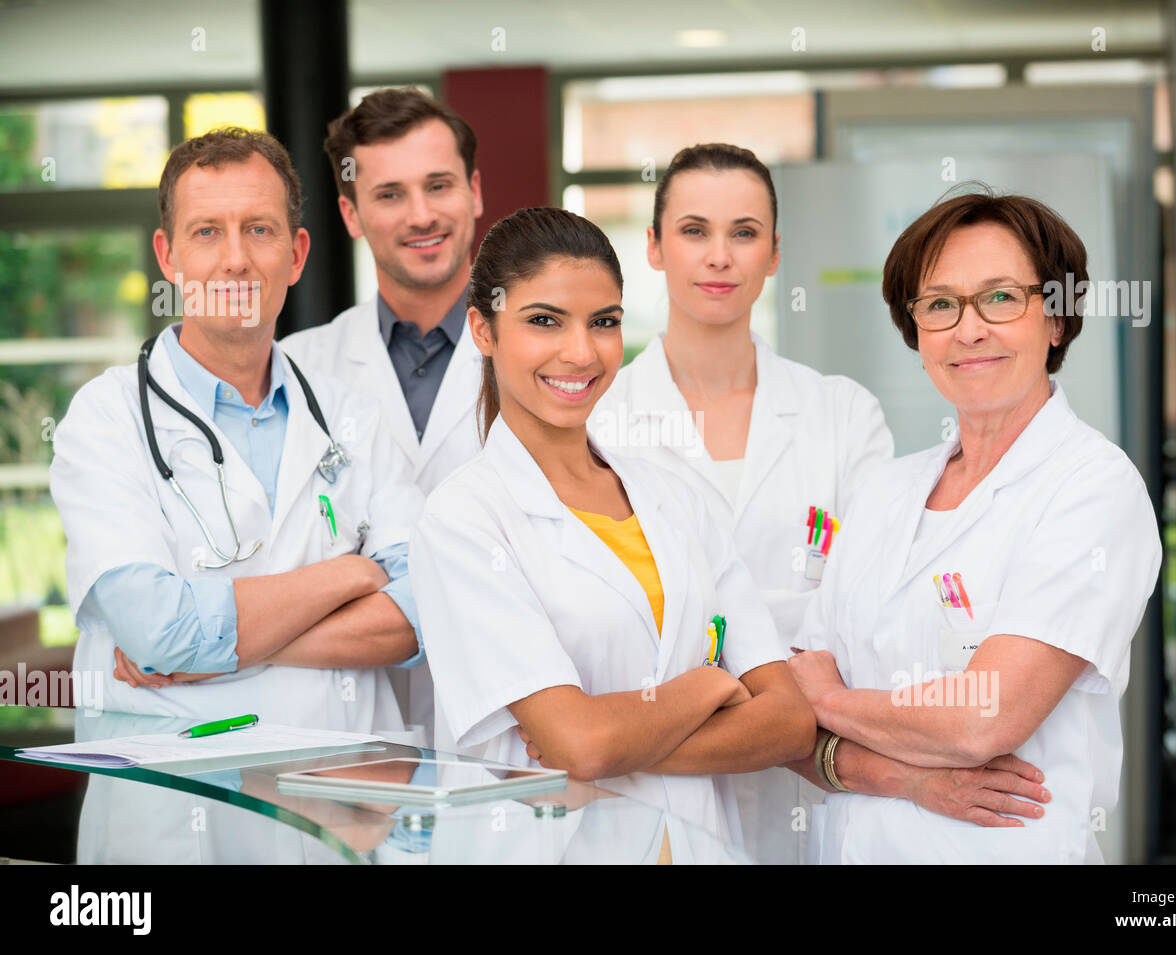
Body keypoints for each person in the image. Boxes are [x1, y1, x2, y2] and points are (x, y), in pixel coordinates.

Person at [49, 127, 428, 863]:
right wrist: (351, 575)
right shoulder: (106, 419)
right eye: (206, 231)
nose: (234, 257)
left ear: (296, 253)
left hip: (335, 812)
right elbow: (157, 631)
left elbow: (418, 618)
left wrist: (216, 642)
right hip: (172, 822)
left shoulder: (354, 414)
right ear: (168, 256)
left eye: (259, 229)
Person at [410, 207, 815, 863]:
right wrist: (708, 687)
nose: (581, 351)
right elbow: (584, 745)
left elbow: (791, 721)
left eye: (603, 322)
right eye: (545, 320)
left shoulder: (676, 498)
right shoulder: (464, 519)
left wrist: (615, 735)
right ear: (484, 329)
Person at [787, 188, 1162, 864]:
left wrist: (829, 699)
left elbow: (982, 720)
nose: (969, 329)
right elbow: (789, 730)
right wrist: (909, 777)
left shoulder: (1092, 489)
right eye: (940, 304)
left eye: (1000, 298)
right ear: (918, 333)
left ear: (1055, 318)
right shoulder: (884, 491)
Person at [596, 143, 894, 863]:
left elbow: (870, 609)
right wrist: (767, 678)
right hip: (650, 792)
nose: (719, 256)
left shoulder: (843, 415)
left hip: (816, 784)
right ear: (656, 248)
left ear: (775, 253)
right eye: (694, 231)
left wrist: (738, 682)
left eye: (744, 232)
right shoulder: (601, 421)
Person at [280, 88, 486, 739]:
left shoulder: (546, 361)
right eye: (390, 194)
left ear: (475, 192)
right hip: (343, 728)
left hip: (509, 726)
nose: (421, 214)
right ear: (351, 212)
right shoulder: (294, 369)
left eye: (439, 185)